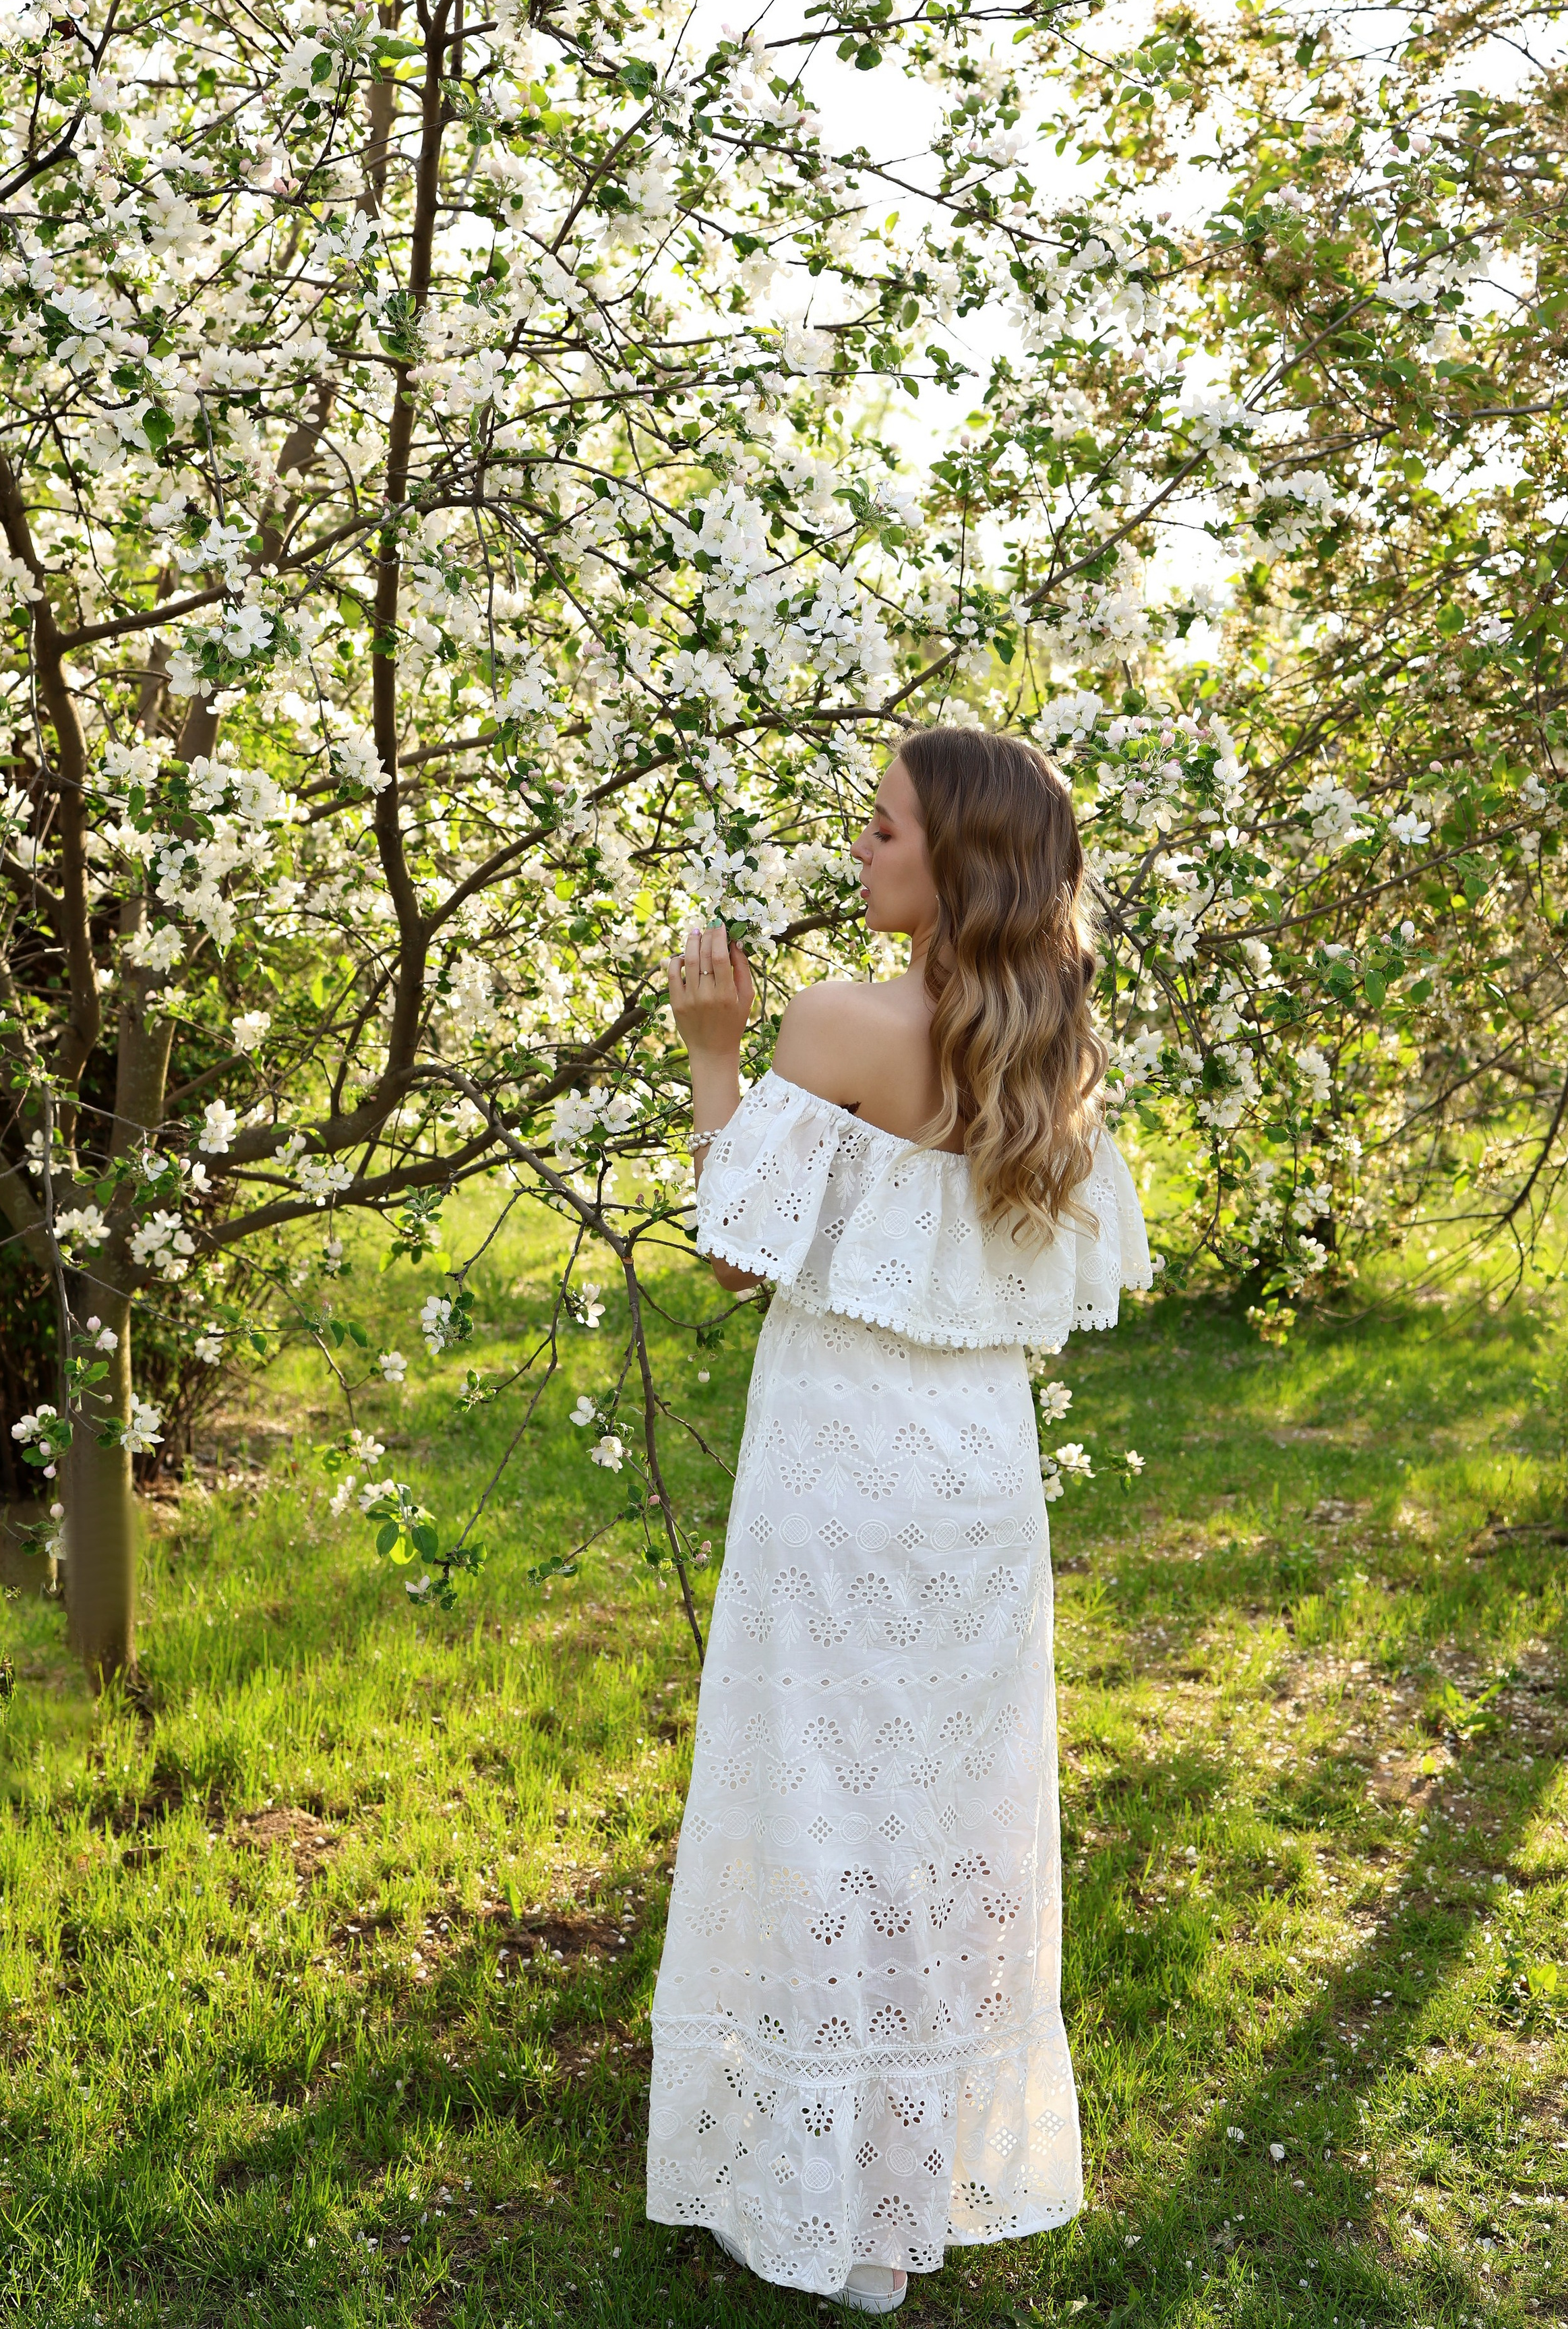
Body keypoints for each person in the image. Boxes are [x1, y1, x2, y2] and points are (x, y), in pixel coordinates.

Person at [644, 726, 1151, 2313]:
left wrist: (713, 1053)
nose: (859, 850)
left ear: (957, 862)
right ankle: (897, 2195)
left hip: (838, 1462)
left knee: (821, 1796)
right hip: (977, 1476)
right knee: (945, 1815)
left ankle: (824, 2201)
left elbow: (736, 1253)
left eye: (882, 831)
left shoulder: (834, 1022)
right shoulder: (1051, 1048)